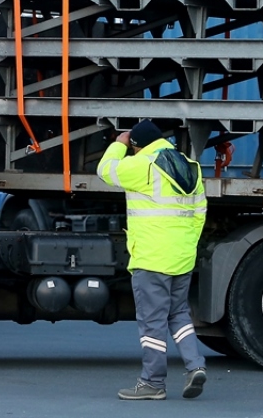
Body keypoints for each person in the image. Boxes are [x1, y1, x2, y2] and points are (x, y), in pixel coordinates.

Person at [96, 120, 207, 401]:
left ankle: (153, 383)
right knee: (178, 313)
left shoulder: (143, 164)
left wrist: (118, 143)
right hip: (181, 255)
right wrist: (186, 246)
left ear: (137, 145)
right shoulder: (189, 166)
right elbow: (200, 213)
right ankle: (195, 365)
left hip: (151, 257)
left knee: (152, 322)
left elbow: (105, 171)